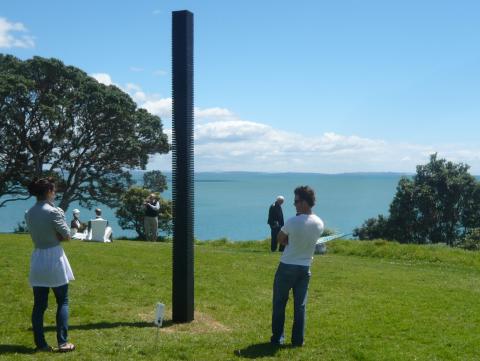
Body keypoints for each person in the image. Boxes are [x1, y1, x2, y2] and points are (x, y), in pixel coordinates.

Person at [24, 177, 76, 353]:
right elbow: (67, 236)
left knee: (39, 305)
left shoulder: (29, 212)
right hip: (54, 257)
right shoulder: (54, 211)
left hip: (38, 257)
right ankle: (63, 343)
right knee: (63, 301)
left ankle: (41, 345)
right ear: (48, 192)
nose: (55, 193)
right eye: (53, 191)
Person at [271, 186, 324, 347]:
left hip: (287, 266)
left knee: (280, 303)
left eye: (296, 201)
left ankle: (278, 339)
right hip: (305, 268)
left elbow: (280, 239)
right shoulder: (320, 223)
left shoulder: (292, 221)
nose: (294, 204)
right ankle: (297, 340)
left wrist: (290, 242)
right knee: (300, 306)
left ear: (305, 202)